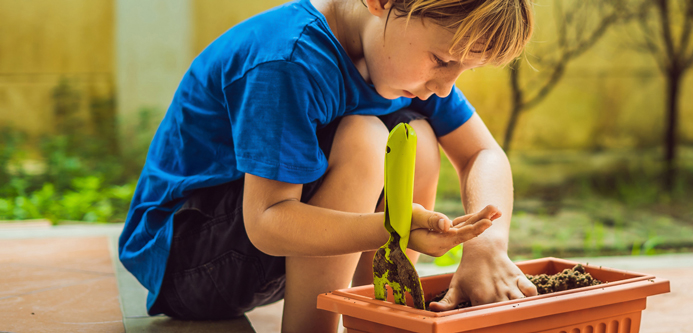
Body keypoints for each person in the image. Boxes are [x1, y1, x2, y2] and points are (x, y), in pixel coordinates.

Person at [117, 0, 536, 331]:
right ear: (381, 2)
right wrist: (394, 225)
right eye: (443, 61)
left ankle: (374, 319)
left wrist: (486, 246)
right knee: (366, 137)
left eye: (464, 70)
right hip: (188, 262)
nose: (445, 86)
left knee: (418, 138)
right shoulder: (288, 59)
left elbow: (483, 153)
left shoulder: (402, 56)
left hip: (259, 255)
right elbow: (265, 221)